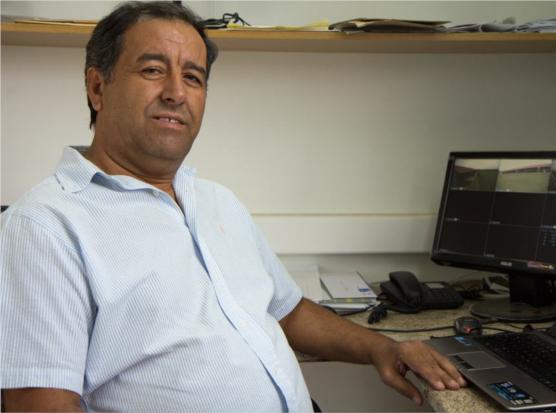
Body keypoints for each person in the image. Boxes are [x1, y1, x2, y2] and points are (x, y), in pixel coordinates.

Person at [0, 2, 465, 411]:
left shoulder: (218, 202)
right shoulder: (45, 227)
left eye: (193, 77)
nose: (176, 93)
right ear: (97, 88)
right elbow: (41, 405)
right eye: (153, 70)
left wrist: (382, 349)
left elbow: (288, 311)